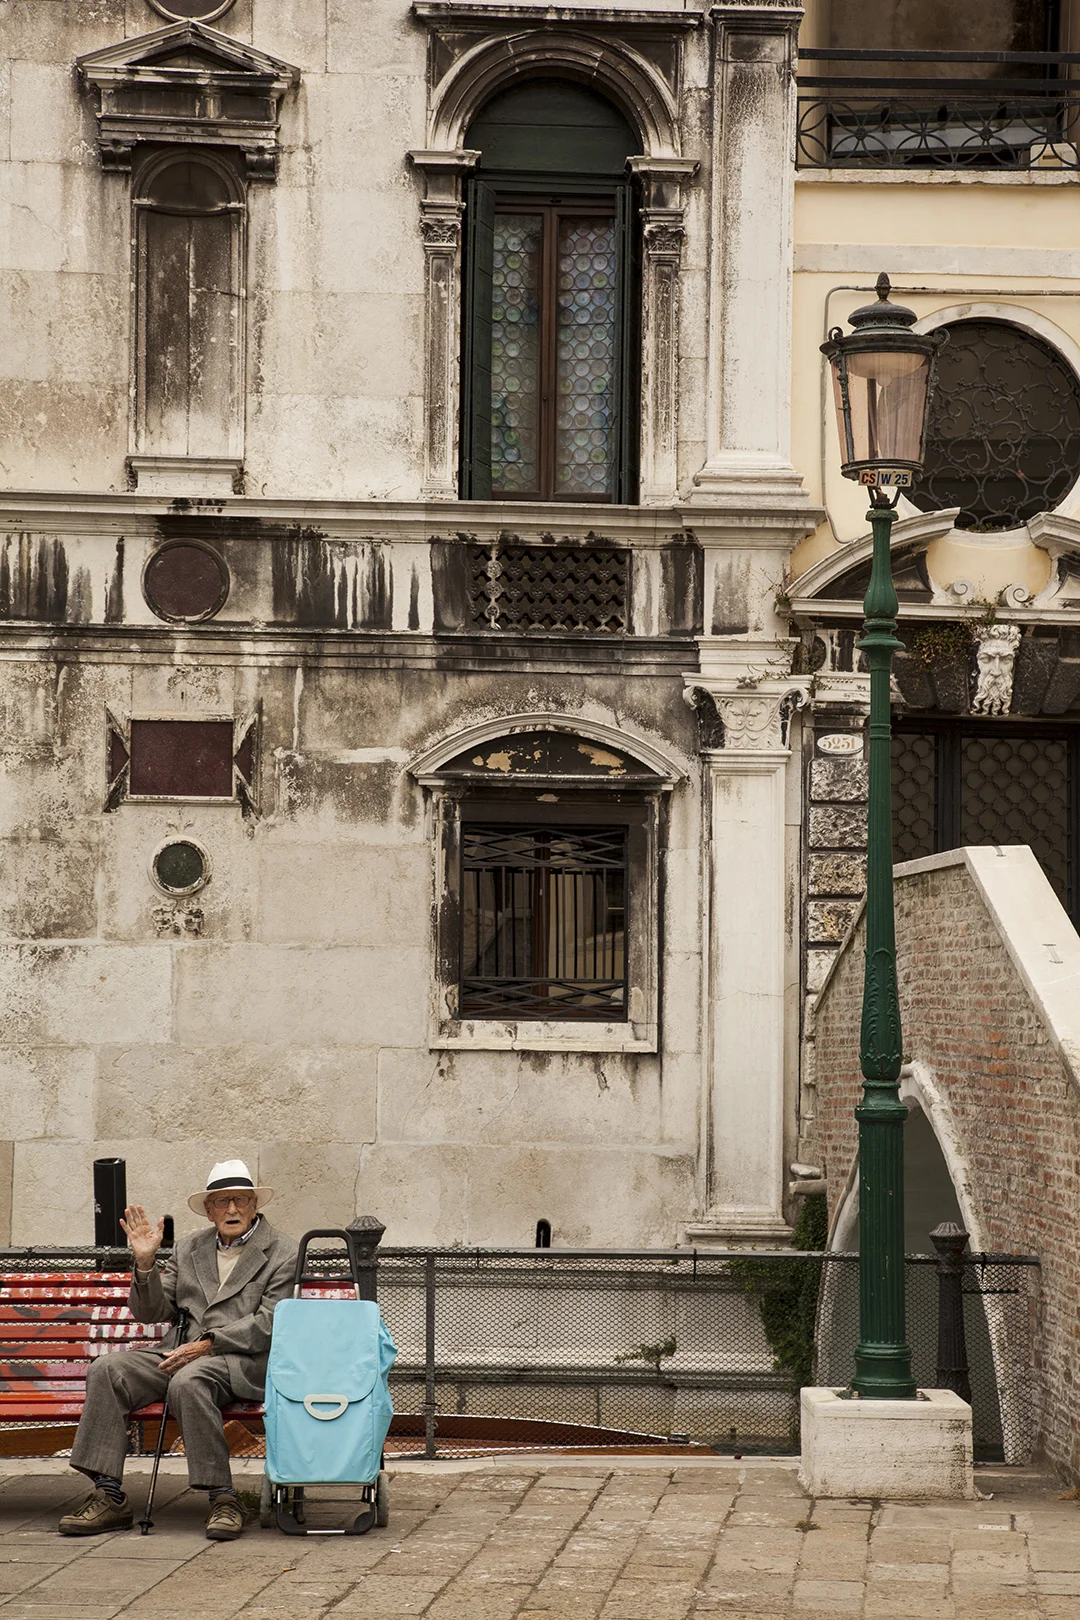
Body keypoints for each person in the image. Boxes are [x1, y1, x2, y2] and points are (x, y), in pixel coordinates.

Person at [58, 1160, 297, 1540]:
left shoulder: (283, 1251)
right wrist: (145, 1263)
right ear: (209, 1210)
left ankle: (223, 1497)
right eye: (221, 1202)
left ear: (254, 1205)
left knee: (189, 1380)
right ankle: (109, 1495)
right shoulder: (189, 1248)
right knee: (107, 1369)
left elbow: (270, 1322)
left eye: (240, 1200)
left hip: (240, 1359)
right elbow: (151, 1312)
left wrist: (208, 1344)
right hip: (180, 1351)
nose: (232, 1209)